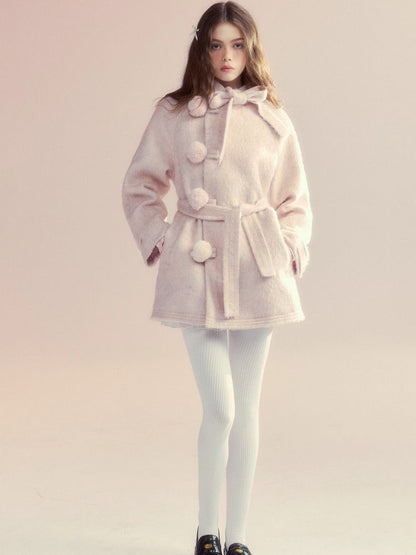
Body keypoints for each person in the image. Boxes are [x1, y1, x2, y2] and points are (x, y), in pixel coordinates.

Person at [121, 2, 313, 554]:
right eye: (216, 44)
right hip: (197, 264)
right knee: (221, 408)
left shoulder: (272, 117)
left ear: (250, 49)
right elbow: (140, 185)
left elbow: (295, 199)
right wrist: (163, 238)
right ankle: (207, 531)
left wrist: (290, 245)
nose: (227, 56)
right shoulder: (174, 113)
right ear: (201, 48)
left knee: (246, 410)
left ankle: (238, 538)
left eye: (237, 45)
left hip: (257, 263)